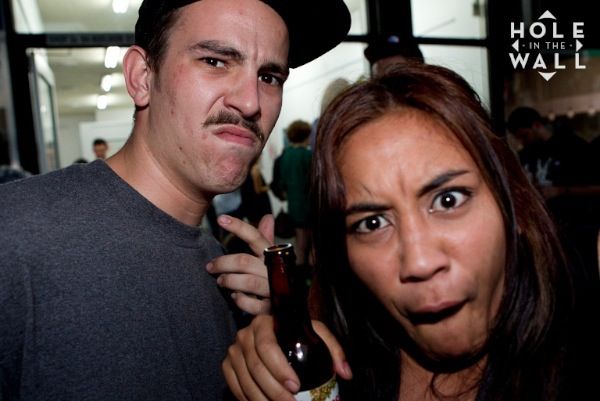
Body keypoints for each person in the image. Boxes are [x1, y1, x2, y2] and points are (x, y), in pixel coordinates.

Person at [0, 0, 350, 400]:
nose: (251, 102)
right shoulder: (16, 233)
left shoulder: (226, 275)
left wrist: (278, 325)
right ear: (142, 77)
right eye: (215, 62)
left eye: (269, 77)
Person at [222, 63, 597, 401]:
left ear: (513, 206)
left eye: (448, 200)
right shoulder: (335, 373)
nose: (419, 262)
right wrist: (278, 348)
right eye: (372, 223)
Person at [276, 120, 313, 266]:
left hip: (293, 205)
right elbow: (313, 181)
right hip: (308, 205)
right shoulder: (307, 155)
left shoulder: (286, 155)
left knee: (299, 240)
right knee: (312, 242)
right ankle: (310, 272)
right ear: (305, 135)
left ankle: (299, 271)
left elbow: (281, 182)